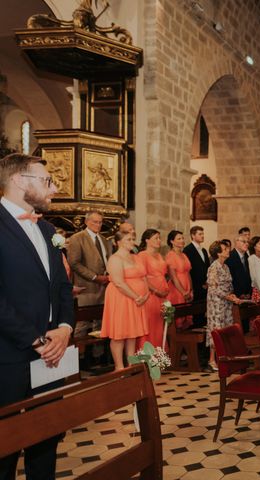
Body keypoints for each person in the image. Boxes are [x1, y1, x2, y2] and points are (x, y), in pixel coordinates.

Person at [0, 153, 74, 480]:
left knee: (46, 441)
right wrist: (35, 339)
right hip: (9, 357)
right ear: (18, 181)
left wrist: (64, 328)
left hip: (51, 355)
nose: (54, 188)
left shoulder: (46, 229)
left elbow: (61, 286)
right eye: (46, 180)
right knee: (4, 448)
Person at [100, 231, 149, 370]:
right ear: (118, 242)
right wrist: (136, 296)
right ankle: (119, 367)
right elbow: (119, 282)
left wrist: (145, 294)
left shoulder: (136, 257)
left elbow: (144, 276)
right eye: (128, 239)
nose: (132, 242)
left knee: (132, 333)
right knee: (119, 333)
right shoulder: (115, 259)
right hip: (121, 298)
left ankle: (131, 364)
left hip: (137, 300)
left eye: (133, 239)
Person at [205, 241, 241, 371]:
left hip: (226, 303)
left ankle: (224, 358)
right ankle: (212, 360)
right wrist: (227, 296)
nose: (228, 251)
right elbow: (213, 288)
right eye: (225, 249)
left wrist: (232, 296)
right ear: (218, 253)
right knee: (216, 328)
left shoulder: (225, 267)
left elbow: (229, 286)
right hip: (216, 303)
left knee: (226, 327)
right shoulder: (213, 267)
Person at [67, 211, 111, 308]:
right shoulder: (77, 238)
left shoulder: (104, 239)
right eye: (95, 222)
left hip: (104, 287)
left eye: (100, 222)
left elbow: (107, 260)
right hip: (86, 288)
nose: (98, 225)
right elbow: (74, 263)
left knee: (101, 320)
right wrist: (95, 277)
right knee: (84, 321)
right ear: (86, 222)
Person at [137, 229, 169, 349]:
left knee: (160, 325)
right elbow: (142, 277)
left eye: (159, 238)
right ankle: (147, 355)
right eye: (156, 238)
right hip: (150, 294)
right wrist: (156, 291)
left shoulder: (159, 255)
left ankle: (159, 355)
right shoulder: (142, 255)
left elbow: (163, 274)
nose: (159, 240)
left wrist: (165, 290)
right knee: (151, 324)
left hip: (162, 295)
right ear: (147, 240)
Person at [183, 226, 210, 328]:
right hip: (195, 285)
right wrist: (198, 285)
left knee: (203, 313)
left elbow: (207, 268)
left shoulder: (203, 250)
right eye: (200, 234)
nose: (202, 236)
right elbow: (190, 270)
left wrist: (207, 282)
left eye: (203, 234)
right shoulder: (188, 250)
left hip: (205, 286)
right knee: (196, 315)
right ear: (193, 236)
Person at [166, 230, 193, 329]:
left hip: (186, 286)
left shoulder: (184, 255)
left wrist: (190, 290)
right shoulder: (170, 256)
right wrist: (183, 292)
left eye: (182, 238)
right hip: (177, 289)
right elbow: (173, 277)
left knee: (187, 316)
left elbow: (188, 273)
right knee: (178, 318)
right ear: (172, 241)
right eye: (179, 238)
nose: (182, 240)